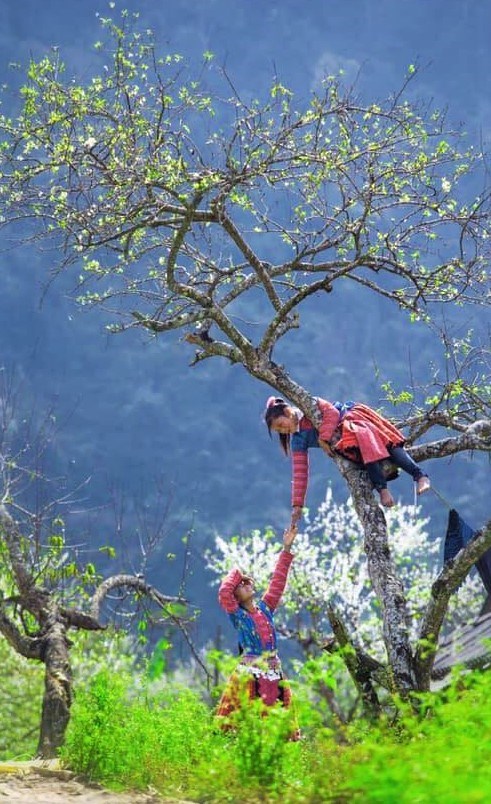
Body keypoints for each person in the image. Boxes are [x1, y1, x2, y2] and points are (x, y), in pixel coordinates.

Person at [264, 396, 430, 522]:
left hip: (352, 421)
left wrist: (323, 438)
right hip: (346, 445)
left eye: (280, 425)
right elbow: (300, 473)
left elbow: (332, 412)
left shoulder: (308, 403)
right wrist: (297, 505)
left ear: (287, 412)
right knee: (366, 452)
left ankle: (419, 476)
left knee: (389, 445)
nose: (282, 431)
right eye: (278, 430)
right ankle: (383, 488)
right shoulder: (298, 439)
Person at [216, 524, 299, 738]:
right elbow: (224, 592)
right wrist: (238, 574)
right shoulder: (238, 615)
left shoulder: (265, 608)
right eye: (241, 586)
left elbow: (278, 583)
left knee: (277, 727)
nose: (246, 586)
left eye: (246, 583)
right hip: (249, 673)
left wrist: (286, 549)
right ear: (236, 598)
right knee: (245, 724)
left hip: (273, 671)